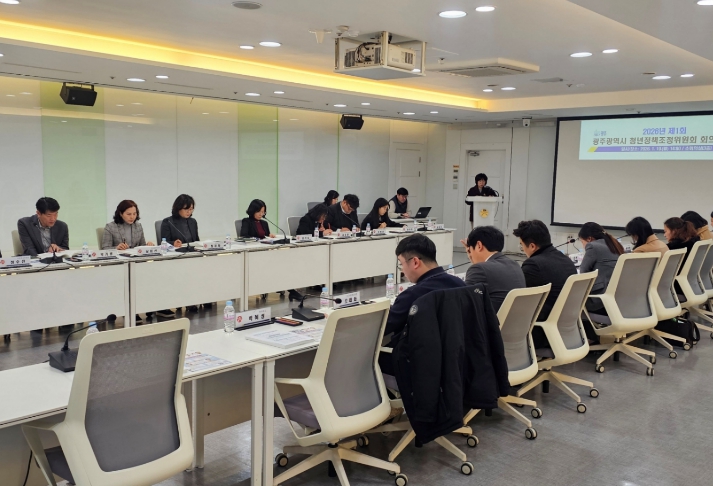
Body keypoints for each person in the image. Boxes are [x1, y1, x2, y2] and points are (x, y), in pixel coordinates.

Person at [380, 233, 466, 374]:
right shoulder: (461, 285)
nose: (402, 271)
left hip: (420, 366)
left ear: (415, 262)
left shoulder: (413, 295)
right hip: (458, 363)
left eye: (401, 264)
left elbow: (382, 327)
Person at [513, 220, 577, 348]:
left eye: (522, 246)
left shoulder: (533, 265)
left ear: (532, 246)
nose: (523, 250)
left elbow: (521, 302)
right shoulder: (566, 260)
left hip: (542, 332)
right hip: (567, 330)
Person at [241, 199, 302, 301]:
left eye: (263, 212)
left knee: (283, 265)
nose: (261, 214)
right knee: (276, 266)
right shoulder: (246, 222)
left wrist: (270, 236)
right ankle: (291, 291)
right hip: (254, 255)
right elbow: (244, 236)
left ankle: (292, 291)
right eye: (259, 211)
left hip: (266, 252)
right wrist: (258, 239)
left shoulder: (264, 223)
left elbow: (266, 237)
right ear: (253, 210)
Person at [461, 226, 525, 312]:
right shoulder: (514, 264)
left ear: (479, 245)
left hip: (491, 319)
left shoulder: (479, 269)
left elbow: (463, 301)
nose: (470, 255)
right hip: (515, 319)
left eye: (470, 250)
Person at [158, 195, 200, 317]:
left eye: (191, 209)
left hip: (190, 256)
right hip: (175, 258)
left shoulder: (193, 222)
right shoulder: (168, 222)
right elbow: (163, 242)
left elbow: (196, 240)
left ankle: (191, 300)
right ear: (178, 208)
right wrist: (173, 243)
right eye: (186, 209)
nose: (189, 212)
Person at [578, 222, 624, 312]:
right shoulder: (614, 245)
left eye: (582, 242)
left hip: (598, 301)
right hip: (616, 297)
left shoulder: (592, 246)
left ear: (589, 239)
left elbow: (583, 273)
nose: (583, 245)